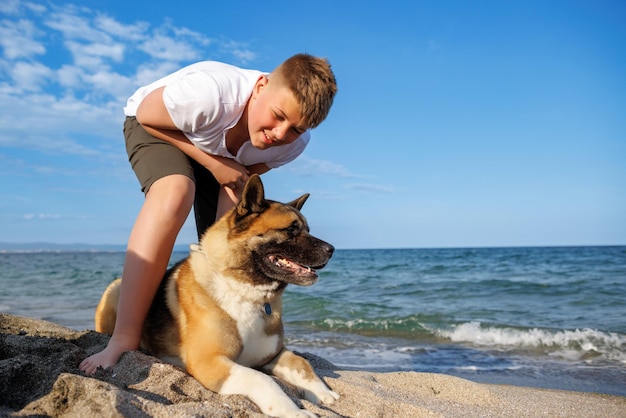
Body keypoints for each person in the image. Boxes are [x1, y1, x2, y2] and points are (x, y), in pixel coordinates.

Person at [79, 54, 337, 374]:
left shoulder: (292, 145)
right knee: (175, 193)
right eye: (277, 115)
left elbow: (242, 174)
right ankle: (124, 337)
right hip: (161, 127)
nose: (280, 133)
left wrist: (223, 175)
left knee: (228, 238)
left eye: (296, 129)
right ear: (260, 87)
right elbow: (147, 115)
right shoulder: (210, 93)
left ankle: (223, 335)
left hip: (220, 157)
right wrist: (215, 163)